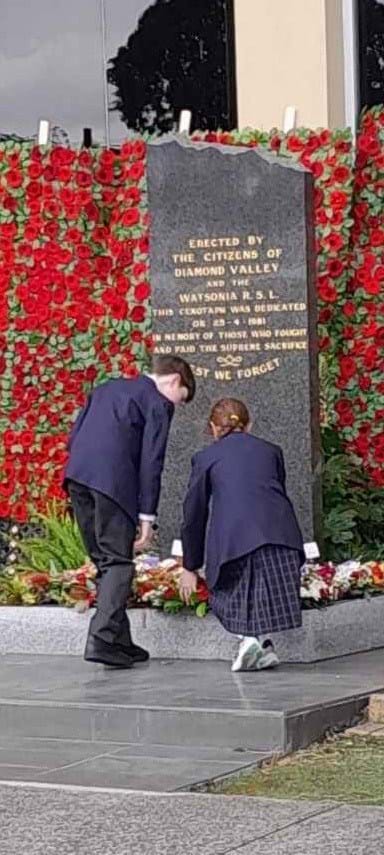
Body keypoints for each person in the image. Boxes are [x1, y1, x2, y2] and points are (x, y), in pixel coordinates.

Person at [64, 355, 195, 668]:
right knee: (120, 564)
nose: (178, 404)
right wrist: (147, 517)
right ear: (175, 380)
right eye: (182, 398)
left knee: (105, 562)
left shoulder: (107, 388)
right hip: (113, 486)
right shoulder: (158, 403)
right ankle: (102, 638)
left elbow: (74, 435)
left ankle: (120, 640)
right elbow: (152, 463)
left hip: (78, 477)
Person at [179, 398, 304, 672]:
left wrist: (190, 564)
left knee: (227, 588)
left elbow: (194, 514)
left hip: (234, 540)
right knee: (265, 584)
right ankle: (265, 646)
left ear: (213, 428)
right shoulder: (271, 451)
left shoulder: (206, 458)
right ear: (249, 425)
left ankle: (248, 639)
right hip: (282, 536)